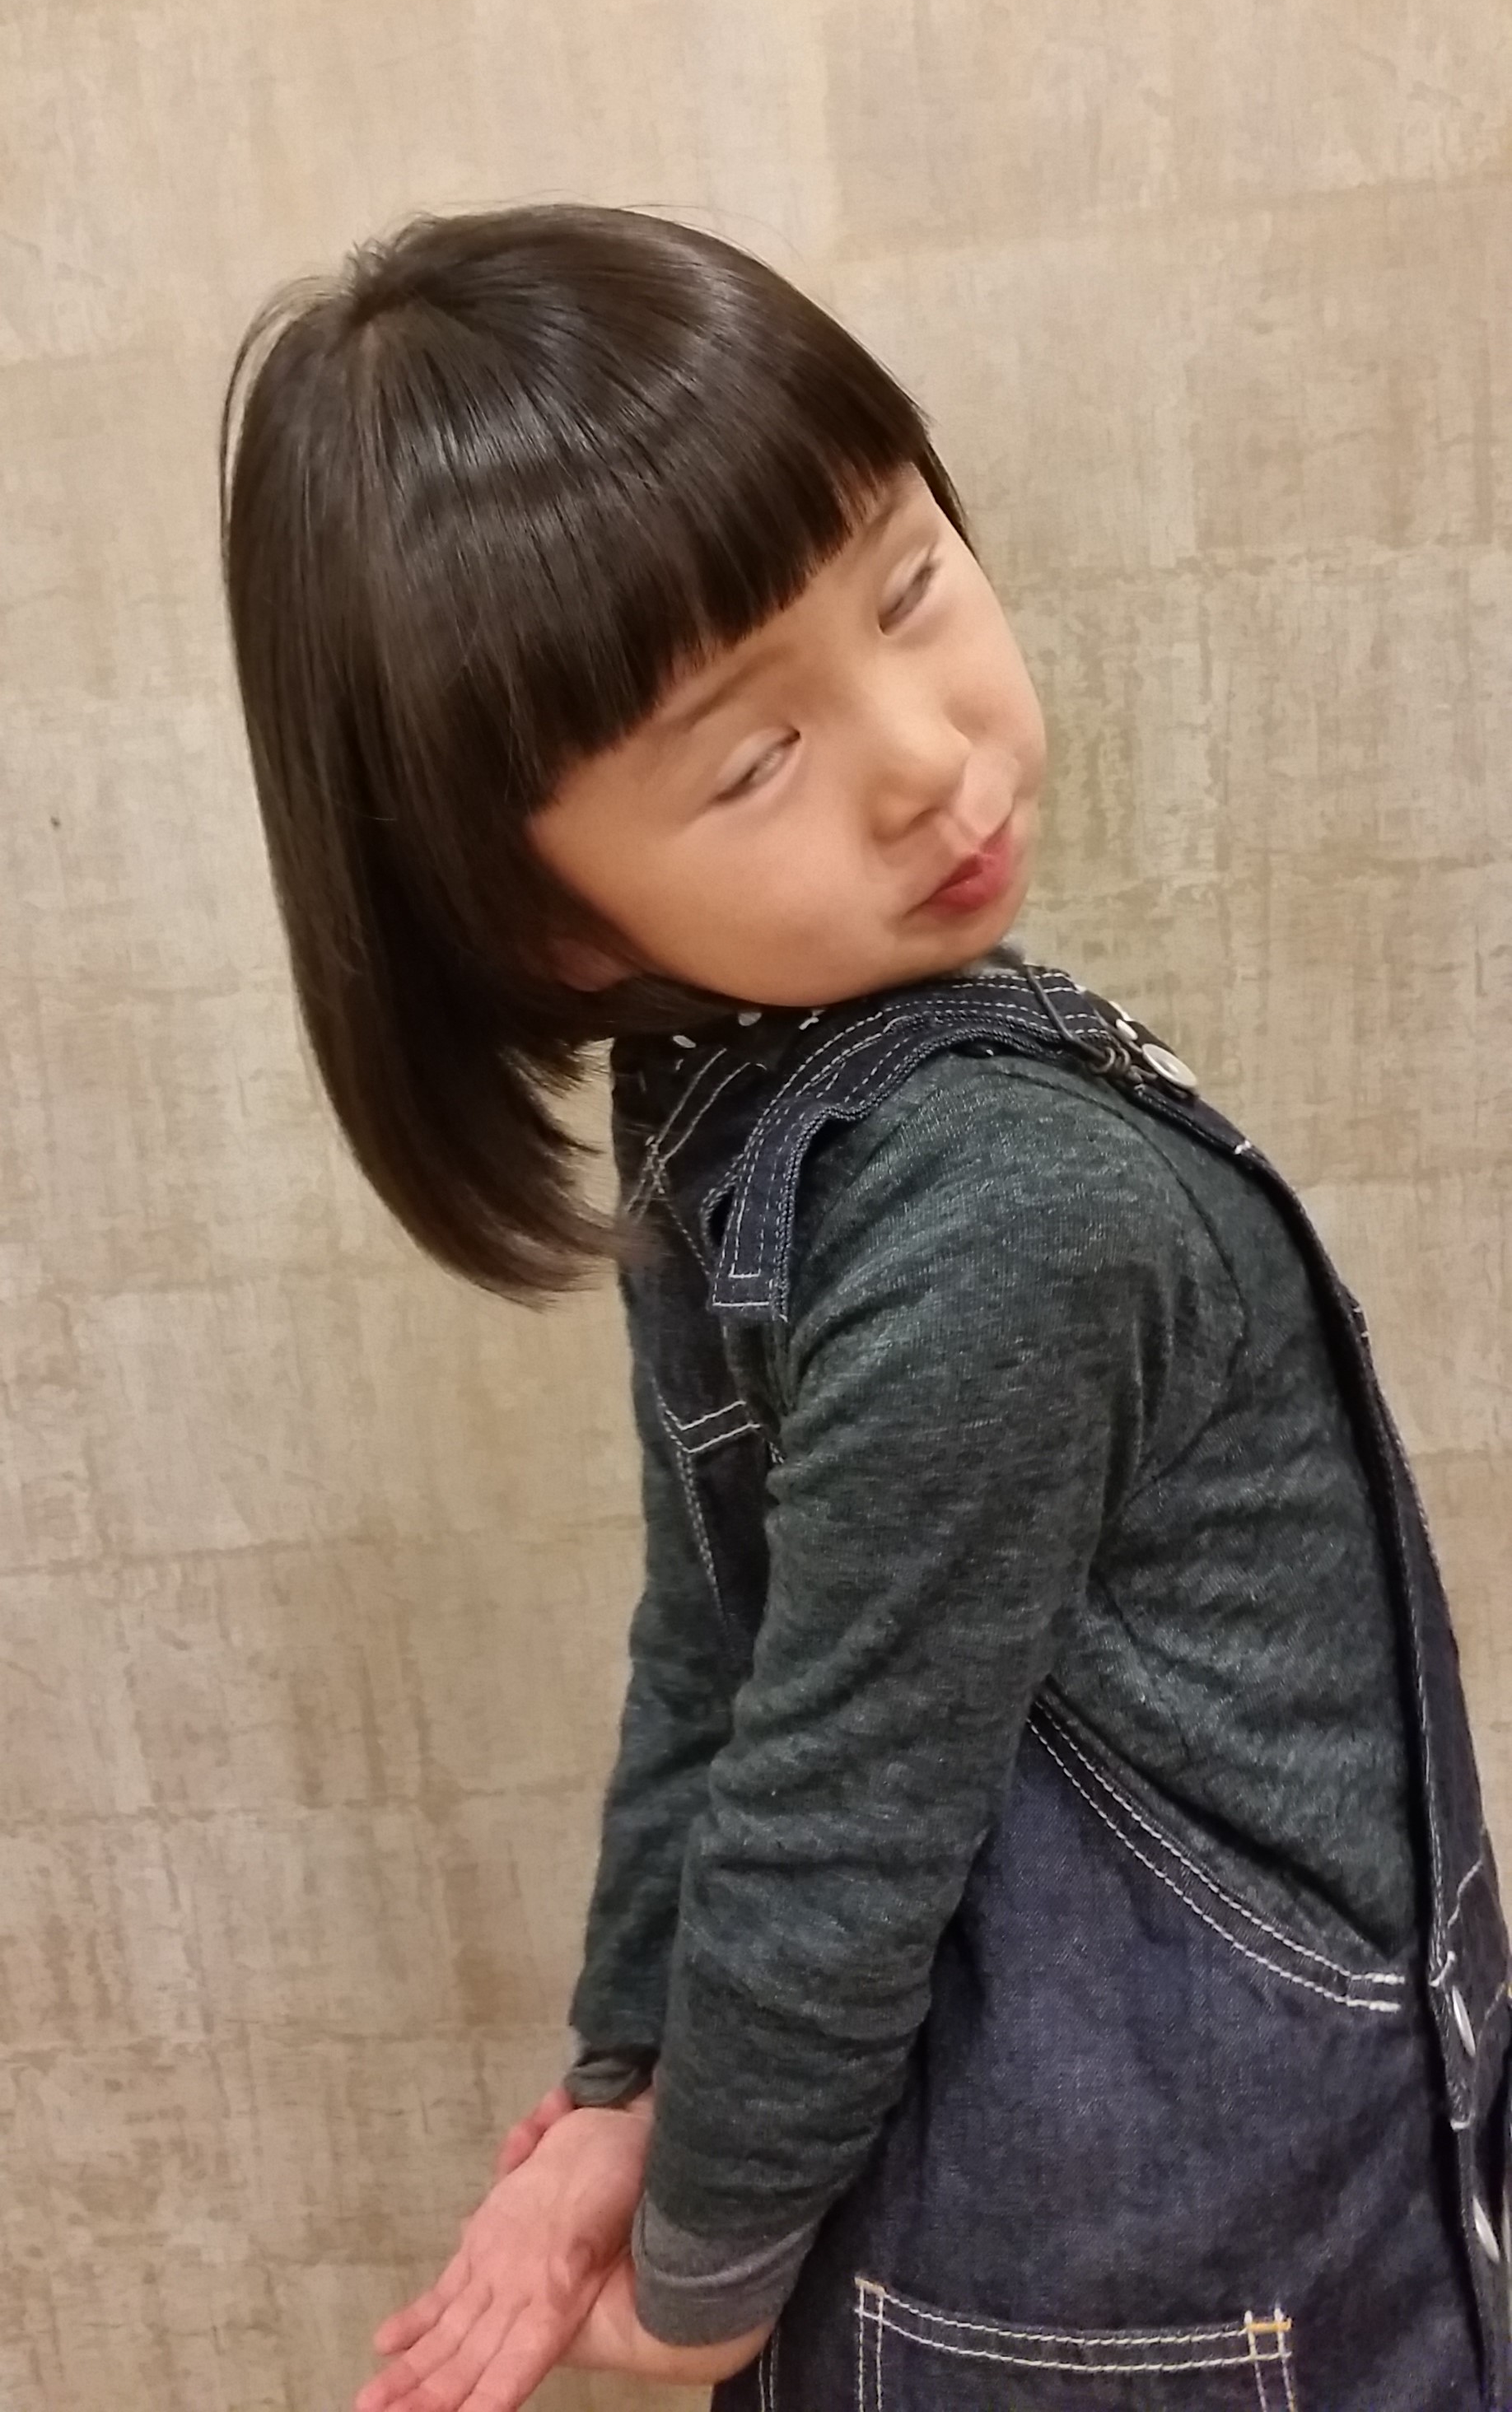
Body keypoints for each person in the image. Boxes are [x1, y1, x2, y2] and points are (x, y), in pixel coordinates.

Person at [218, 203, 1511, 2412]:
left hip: (987, 2235)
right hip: (1209, 2284)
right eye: (751, 760)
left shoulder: (736, 1103)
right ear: (546, 925)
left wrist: (638, 2090)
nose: (921, 754)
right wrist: (696, 2254)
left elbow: (717, 1659)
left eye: (907, 584)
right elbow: (818, 1799)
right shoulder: (998, 1205)